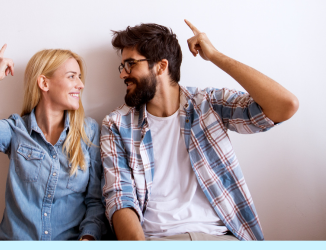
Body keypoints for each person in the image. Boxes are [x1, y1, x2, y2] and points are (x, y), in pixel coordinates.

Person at [100, 20, 299, 241]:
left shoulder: (208, 104)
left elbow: (285, 106)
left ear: (161, 66)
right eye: (122, 66)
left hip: (220, 237)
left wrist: (215, 56)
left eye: (130, 64)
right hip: (158, 240)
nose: (122, 74)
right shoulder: (117, 124)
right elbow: (120, 197)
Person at [0, 45, 106, 240]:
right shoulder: (16, 129)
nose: (81, 85)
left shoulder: (89, 131)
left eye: (80, 77)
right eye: (72, 76)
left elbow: (96, 201)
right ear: (44, 83)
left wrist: (88, 237)